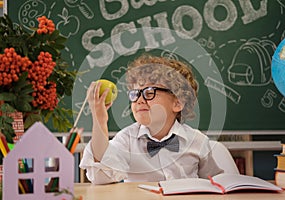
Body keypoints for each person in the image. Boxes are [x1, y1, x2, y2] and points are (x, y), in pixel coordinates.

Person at [79, 54, 223, 184]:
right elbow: (101, 176)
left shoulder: (198, 141)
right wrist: (100, 120)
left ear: (177, 103)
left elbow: (216, 184)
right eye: (135, 93)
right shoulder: (126, 139)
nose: (139, 100)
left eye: (149, 92)